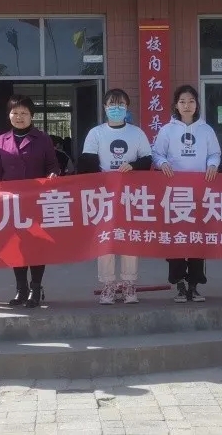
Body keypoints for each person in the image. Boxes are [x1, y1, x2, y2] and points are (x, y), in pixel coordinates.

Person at [79, 88, 153, 305]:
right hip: (104, 194)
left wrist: (133, 166)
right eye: (112, 104)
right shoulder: (96, 133)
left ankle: (129, 283)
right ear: (105, 107)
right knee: (106, 239)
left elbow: (147, 159)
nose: (116, 108)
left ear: (127, 107)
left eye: (121, 104)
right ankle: (108, 284)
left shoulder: (136, 133)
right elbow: (87, 163)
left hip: (130, 195)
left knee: (128, 238)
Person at [0, 95, 60, 308]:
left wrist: (53, 174)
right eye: (15, 113)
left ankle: (35, 288)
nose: (19, 117)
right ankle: (21, 289)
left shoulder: (43, 139)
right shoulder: (2, 140)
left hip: (36, 202)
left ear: (32, 116)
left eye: (24, 113)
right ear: (9, 115)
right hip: (12, 203)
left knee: (36, 246)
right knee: (15, 246)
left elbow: (53, 165)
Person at [152, 84, 220, 303]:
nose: (187, 105)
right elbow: (157, 154)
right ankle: (179, 283)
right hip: (175, 194)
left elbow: (215, 153)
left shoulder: (206, 130)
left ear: (197, 104)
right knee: (177, 239)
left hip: (200, 193)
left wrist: (212, 164)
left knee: (197, 238)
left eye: (191, 101)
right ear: (176, 105)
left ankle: (194, 284)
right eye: (182, 101)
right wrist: (162, 163)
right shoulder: (167, 130)